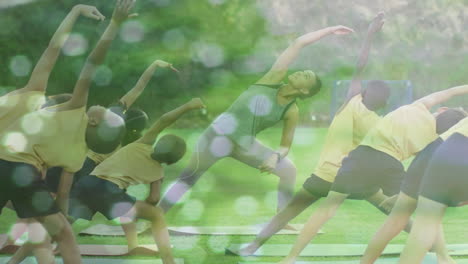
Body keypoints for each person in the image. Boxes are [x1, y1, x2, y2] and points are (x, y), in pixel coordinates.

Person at [230, 12, 392, 256]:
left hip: (327, 175)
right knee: (394, 210)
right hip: (358, 178)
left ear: (365, 94)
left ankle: (252, 247)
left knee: (290, 210)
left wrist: (369, 35)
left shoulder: (352, 103)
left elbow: (360, 66)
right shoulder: (378, 122)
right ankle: (432, 244)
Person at [158, 24, 355, 214]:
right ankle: (154, 217)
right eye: (304, 71)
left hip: (243, 145)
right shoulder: (272, 79)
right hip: (216, 137)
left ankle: (281, 219)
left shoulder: (290, 110)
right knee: (188, 178)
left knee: (288, 171)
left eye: (306, 76)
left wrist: (274, 157)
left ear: (304, 90)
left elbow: (285, 145)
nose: (301, 72)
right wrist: (329, 30)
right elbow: (298, 44)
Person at [1, 1, 136, 263]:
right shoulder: (76, 155)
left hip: (10, 166)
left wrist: (88, 16)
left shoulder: (61, 104)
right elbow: (63, 196)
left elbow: (82, 59)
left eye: (107, 113)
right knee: (64, 237)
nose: (106, 107)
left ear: (94, 123)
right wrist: (60, 220)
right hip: (23, 174)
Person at [275, 83, 468, 264]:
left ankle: (291, 257)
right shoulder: (431, 141)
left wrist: (464, 88)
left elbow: (447, 93)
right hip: (390, 164)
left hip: (362, 156)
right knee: (429, 210)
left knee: (326, 210)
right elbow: (420, 167)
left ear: (442, 110)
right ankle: (443, 255)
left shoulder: (418, 107)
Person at [69, 98, 206, 264]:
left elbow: (164, 120)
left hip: (87, 182)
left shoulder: (144, 142)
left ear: (159, 143)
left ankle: (42, 244)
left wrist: (188, 105)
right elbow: (154, 199)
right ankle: (168, 261)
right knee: (156, 215)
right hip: (108, 190)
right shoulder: (158, 173)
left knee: (65, 219)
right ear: (172, 161)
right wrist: (143, 207)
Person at [360, 111, 467, 264]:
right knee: (428, 218)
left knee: (406, 221)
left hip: (432, 151)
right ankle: (443, 258)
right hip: (454, 153)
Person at [398, 118, 468, 264]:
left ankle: (443, 258)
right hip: (453, 148)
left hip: (449, 147)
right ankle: (443, 258)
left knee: (425, 222)